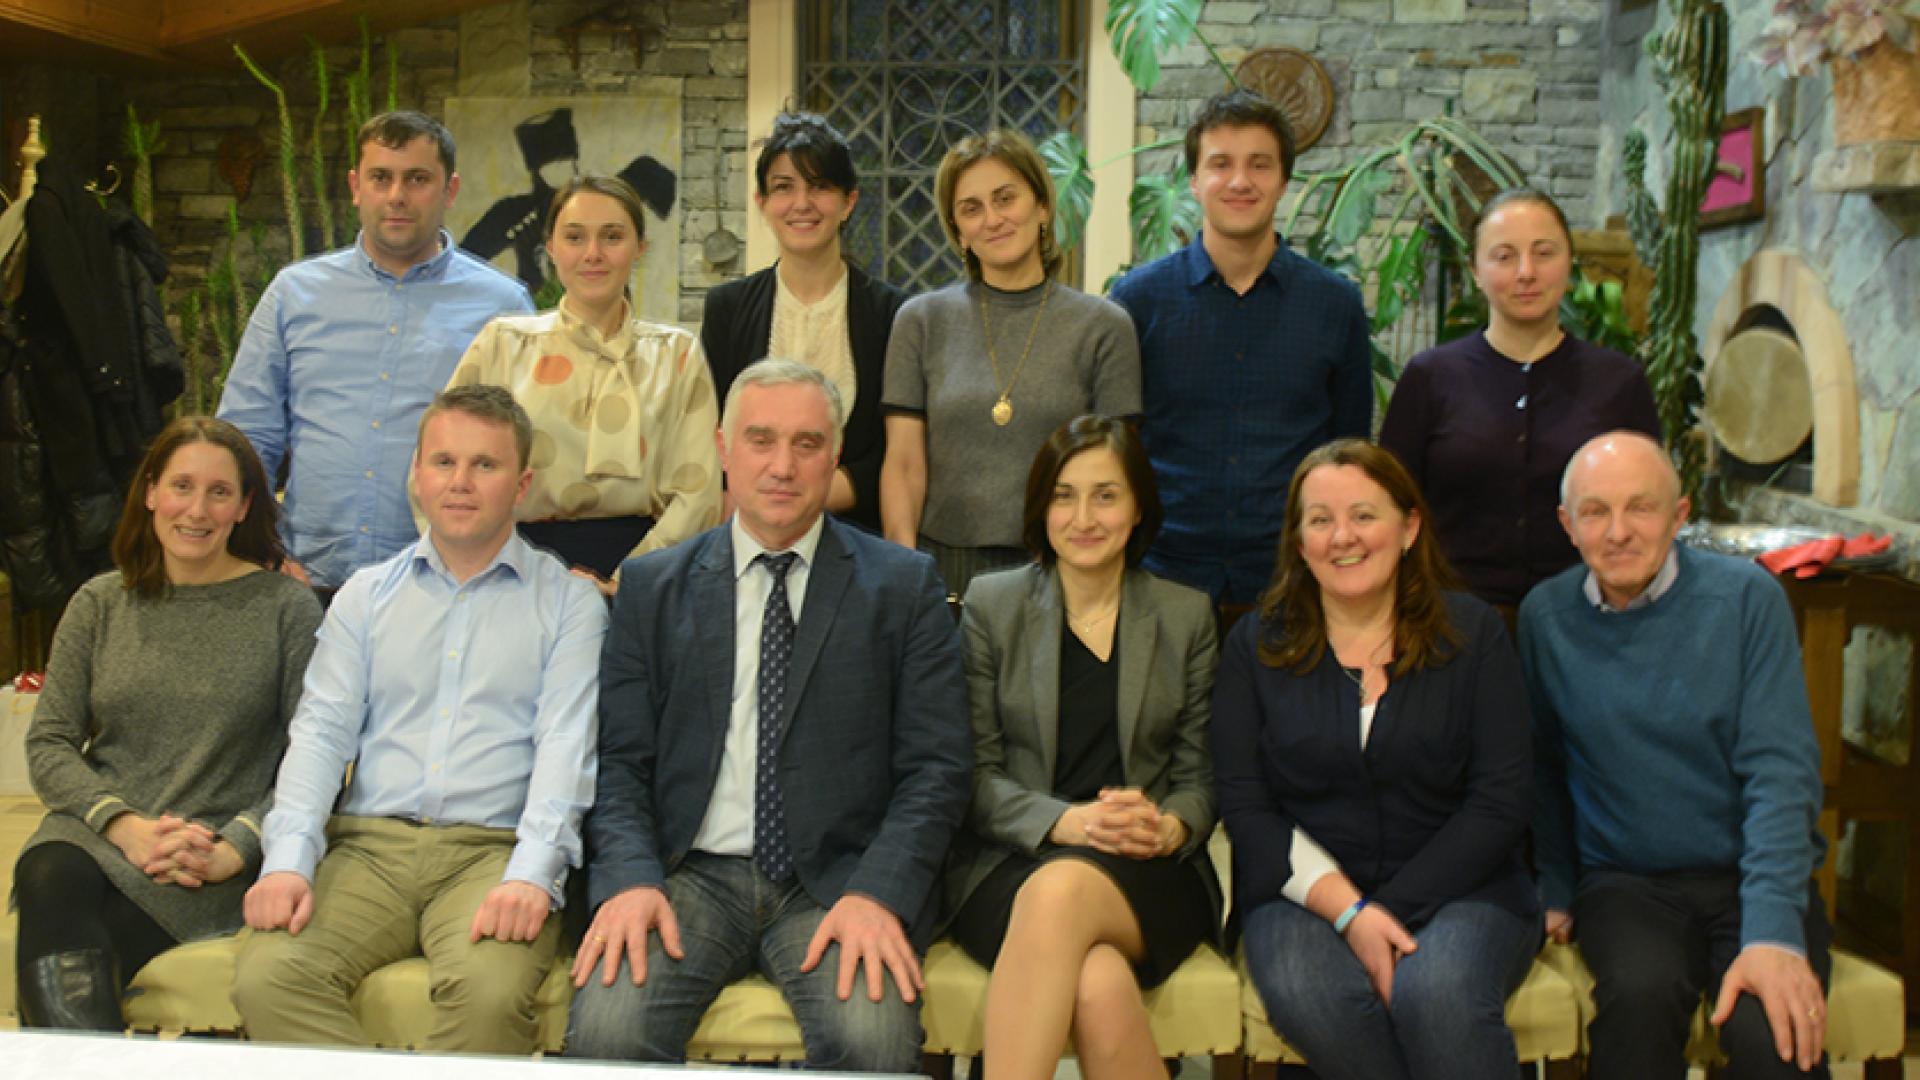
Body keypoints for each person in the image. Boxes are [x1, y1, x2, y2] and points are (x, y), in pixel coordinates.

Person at [565, 359, 970, 1070]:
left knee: (871, 1042)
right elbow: (620, 765)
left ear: (836, 454)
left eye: (807, 444)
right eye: (761, 440)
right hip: (687, 875)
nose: (783, 465)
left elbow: (936, 771)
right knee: (608, 1034)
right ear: (724, 449)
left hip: (839, 882)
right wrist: (630, 880)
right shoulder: (654, 587)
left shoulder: (903, 588)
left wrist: (878, 894)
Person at [233, 385, 607, 1053]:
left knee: (490, 998)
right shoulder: (364, 597)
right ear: (416, 473)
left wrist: (532, 872)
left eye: (485, 466)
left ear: (521, 485)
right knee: (270, 976)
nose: (460, 483)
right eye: (443, 462)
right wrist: (287, 859)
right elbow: (319, 738)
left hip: (490, 853)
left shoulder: (570, 605)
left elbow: (566, 747)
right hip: (368, 848)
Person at [1212, 439, 1538, 1080]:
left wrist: (1384, 912)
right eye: (1320, 520)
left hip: (1467, 889)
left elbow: (1501, 800)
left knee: (1438, 995)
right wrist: (1347, 911)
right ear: (1299, 541)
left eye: (1364, 514)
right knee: (1316, 994)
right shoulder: (1256, 644)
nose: (1343, 537)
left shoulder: (1473, 635)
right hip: (1300, 894)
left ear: (1409, 526)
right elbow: (1249, 808)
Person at [1520, 431, 1830, 1079]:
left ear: (1680, 515)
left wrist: (1774, 930)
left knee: (1768, 1034)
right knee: (1638, 1001)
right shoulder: (1545, 617)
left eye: (1642, 507)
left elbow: (1781, 773)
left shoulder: (1747, 601)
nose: (1618, 531)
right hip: (1627, 882)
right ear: (1567, 525)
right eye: (1595, 511)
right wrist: (1555, 887)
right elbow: (1544, 767)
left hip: (1751, 876)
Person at [14, 417, 320, 1029]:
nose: (196, 510)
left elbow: (313, 760)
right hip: (103, 829)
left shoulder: (285, 609)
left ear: (244, 507)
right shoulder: (99, 602)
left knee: (96, 945)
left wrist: (239, 845)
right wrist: (122, 825)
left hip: (207, 848)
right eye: (181, 486)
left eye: (219, 492)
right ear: (150, 492)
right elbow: (49, 743)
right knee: (47, 871)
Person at [949, 415, 1220, 1080]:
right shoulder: (993, 605)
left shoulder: (1185, 616)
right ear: (1041, 507)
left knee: (1063, 893)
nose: (1083, 516)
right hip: (1012, 862)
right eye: (1064, 495)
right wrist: (1068, 822)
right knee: (1097, 982)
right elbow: (974, 777)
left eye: (1106, 495)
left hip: (1148, 872)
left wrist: (1167, 826)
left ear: (1138, 509)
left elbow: (1201, 778)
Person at [218, 111, 533, 600]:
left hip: (443, 587)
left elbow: (521, 453)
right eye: (381, 177)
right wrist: (263, 553)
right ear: (356, 186)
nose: (397, 197)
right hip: (303, 581)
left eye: (418, 179)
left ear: (449, 191)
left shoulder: (503, 307)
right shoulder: (293, 294)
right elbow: (245, 438)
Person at [1111, 90, 1372, 607]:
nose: (1239, 181)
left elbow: (1349, 451)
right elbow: (1119, 449)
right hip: (1162, 574)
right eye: (1220, 164)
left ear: (1282, 180)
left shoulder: (1334, 304)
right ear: (1193, 181)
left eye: (1259, 164)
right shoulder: (1137, 302)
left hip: (1293, 578)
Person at [881, 129, 1140, 597]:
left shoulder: (1104, 327)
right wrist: (903, 573)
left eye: (1006, 199)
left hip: (1063, 568)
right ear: (957, 230)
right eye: (971, 208)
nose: (992, 219)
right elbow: (902, 464)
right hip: (941, 571)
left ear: (1041, 207)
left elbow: (1117, 474)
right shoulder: (920, 321)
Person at [1379, 187, 1660, 616]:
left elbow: (1647, 506)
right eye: (1504, 256)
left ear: (1570, 263)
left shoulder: (1619, 382)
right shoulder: (1430, 378)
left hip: (1589, 621)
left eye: (1544, 253)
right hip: (1452, 621)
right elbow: (1392, 508)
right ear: (1475, 269)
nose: (1526, 272)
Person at [447, 174, 722, 588]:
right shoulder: (503, 344)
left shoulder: (677, 355)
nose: (593, 254)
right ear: (551, 249)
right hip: (513, 572)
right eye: (575, 237)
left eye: (612, 236)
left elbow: (697, 494)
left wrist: (628, 582)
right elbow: (444, 467)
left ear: (639, 248)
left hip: (649, 577)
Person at [702, 112, 907, 535]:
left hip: (857, 535)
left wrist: (797, 495)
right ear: (762, 203)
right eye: (783, 187)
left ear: (848, 201)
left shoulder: (892, 314)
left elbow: (894, 453)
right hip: (750, 532)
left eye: (820, 187)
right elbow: (716, 438)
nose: (802, 204)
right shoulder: (727, 308)